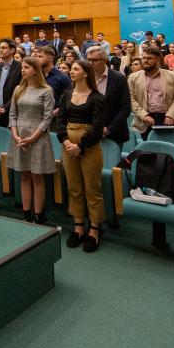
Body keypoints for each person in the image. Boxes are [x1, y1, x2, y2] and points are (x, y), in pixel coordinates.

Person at [56, 60, 108, 252]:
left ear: (86, 73)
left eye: (76, 69)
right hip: (68, 144)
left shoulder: (97, 97)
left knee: (92, 189)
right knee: (74, 187)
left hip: (89, 145)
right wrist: (66, 142)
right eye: (71, 69)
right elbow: (60, 122)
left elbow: (98, 127)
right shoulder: (66, 95)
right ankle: (78, 226)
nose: (71, 71)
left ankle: (94, 228)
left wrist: (80, 146)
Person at [84, 45, 131, 226]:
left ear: (104, 60)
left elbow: (125, 108)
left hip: (113, 133)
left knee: (110, 176)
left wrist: (108, 129)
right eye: (88, 60)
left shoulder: (118, 78)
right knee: (91, 175)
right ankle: (92, 213)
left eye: (94, 60)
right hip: (90, 134)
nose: (91, 63)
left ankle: (112, 213)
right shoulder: (85, 77)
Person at [8, 56, 55, 224]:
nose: (23, 70)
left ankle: (38, 214)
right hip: (20, 137)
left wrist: (32, 138)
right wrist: (15, 135)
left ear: (35, 70)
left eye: (26, 67)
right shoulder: (18, 89)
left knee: (37, 177)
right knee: (24, 176)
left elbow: (47, 118)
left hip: (38, 137)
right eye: (22, 67)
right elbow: (12, 115)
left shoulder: (46, 90)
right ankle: (26, 213)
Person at [128, 46, 174, 140]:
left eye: (149, 58)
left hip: (167, 118)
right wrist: (144, 115)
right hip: (144, 120)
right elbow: (130, 98)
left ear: (158, 60)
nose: (145, 61)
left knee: (167, 148)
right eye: (143, 58)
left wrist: (171, 115)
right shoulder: (133, 77)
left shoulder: (172, 75)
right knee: (147, 148)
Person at [0, 38, 22, 128]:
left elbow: (19, 91)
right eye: (0, 48)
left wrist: (5, 107)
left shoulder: (20, 67)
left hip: (11, 112)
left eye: (4, 48)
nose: (0, 50)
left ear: (12, 50)